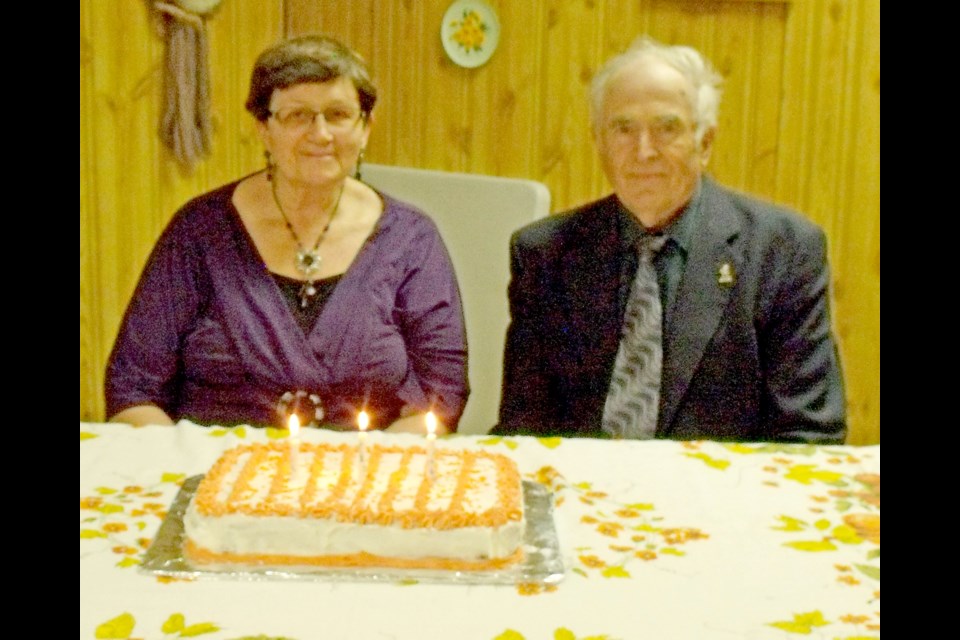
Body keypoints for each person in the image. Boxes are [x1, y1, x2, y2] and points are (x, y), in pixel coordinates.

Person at [106, 35, 468, 434]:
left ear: (366, 128)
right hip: (214, 481)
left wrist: (366, 479)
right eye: (297, 116)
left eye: (338, 114)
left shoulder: (412, 239)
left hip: (368, 482)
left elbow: (442, 395)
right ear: (263, 127)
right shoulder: (198, 232)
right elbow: (133, 389)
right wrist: (199, 476)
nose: (321, 133)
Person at [494, 36, 846, 443]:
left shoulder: (784, 252)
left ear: (705, 142)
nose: (644, 152)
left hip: (723, 498)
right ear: (599, 142)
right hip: (583, 495)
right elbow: (524, 432)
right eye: (623, 129)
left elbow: (808, 438)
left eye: (667, 128)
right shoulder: (545, 254)